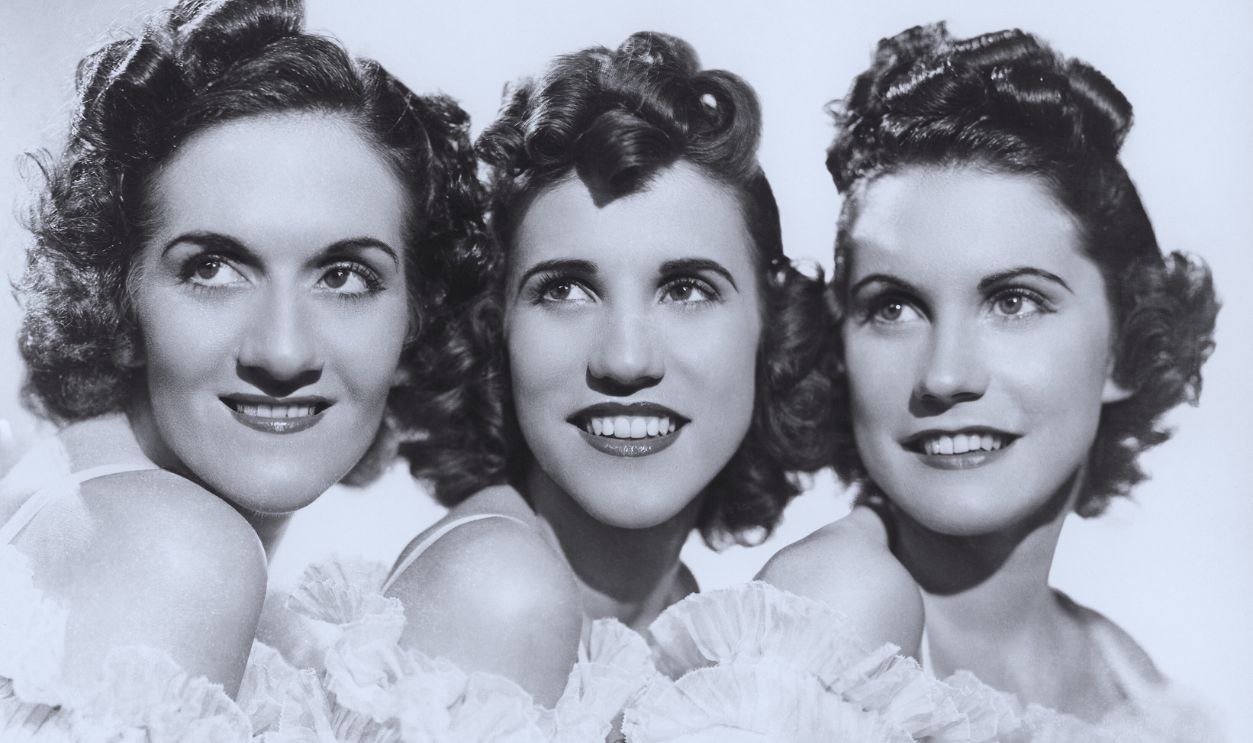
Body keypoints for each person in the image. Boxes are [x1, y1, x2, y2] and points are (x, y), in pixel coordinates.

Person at [0, 0, 487, 737]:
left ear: (416, 309)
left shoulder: (73, 493)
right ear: (119, 292)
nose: (283, 352)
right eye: (215, 268)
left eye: (344, 275)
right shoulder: (175, 548)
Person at [760, 23, 1219, 729]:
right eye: (893, 306)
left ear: (1126, 347)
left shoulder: (1125, 672)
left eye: (1012, 302)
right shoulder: (835, 609)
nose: (944, 375)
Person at [383, 31, 833, 710]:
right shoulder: (497, 588)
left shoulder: (683, 612)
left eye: (685, 289)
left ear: (771, 325)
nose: (625, 359)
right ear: (493, 325)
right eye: (563, 290)